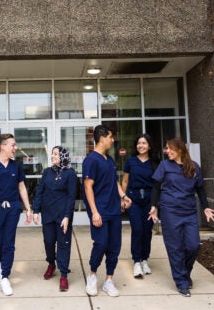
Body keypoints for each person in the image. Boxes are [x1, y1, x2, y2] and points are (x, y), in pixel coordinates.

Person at [149, 137, 214, 297]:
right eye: (166, 148)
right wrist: (154, 207)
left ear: (180, 149)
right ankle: (181, 282)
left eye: (170, 148)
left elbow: (200, 189)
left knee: (193, 245)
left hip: (189, 212)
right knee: (175, 248)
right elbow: (156, 187)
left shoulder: (194, 167)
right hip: (170, 211)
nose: (167, 151)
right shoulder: (164, 165)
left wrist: (206, 207)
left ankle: (185, 273)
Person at [0, 133, 33, 296]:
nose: (15, 148)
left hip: (13, 208)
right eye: (12, 145)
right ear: (3, 146)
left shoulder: (16, 165)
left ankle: (4, 276)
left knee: (9, 242)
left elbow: (22, 187)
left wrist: (28, 208)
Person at [82, 125, 132, 297]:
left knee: (114, 247)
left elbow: (114, 182)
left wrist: (123, 196)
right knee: (101, 243)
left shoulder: (109, 160)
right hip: (100, 211)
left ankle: (109, 280)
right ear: (102, 137)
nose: (113, 140)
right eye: (111, 137)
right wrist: (94, 212)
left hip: (114, 211)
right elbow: (88, 186)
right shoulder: (91, 160)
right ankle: (92, 275)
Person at [32, 146, 78, 292]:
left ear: (63, 155)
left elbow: (71, 197)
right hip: (48, 214)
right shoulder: (47, 172)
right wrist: (35, 210)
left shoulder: (70, 174)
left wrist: (67, 216)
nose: (53, 156)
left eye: (56, 154)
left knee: (64, 244)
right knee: (49, 242)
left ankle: (63, 274)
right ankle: (51, 263)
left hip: (63, 215)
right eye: (52, 154)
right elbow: (39, 192)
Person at [120, 133, 155, 278]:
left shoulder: (154, 163)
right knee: (137, 229)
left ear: (149, 146)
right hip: (133, 200)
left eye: (144, 143)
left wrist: (155, 204)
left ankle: (144, 259)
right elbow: (125, 181)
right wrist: (123, 198)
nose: (141, 145)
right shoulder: (130, 161)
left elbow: (156, 185)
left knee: (147, 231)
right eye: (139, 143)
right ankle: (136, 261)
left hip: (148, 200)